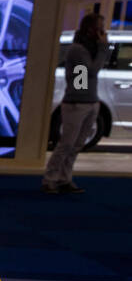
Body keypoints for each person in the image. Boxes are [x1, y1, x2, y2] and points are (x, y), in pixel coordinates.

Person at [43, 13, 108, 194]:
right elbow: (89, 74)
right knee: (67, 143)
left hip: (91, 102)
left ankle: (65, 178)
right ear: (90, 29)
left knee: (77, 144)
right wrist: (103, 49)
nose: (103, 32)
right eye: (100, 27)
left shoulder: (91, 49)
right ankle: (50, 179)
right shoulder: (78, 50)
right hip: (76, 103)